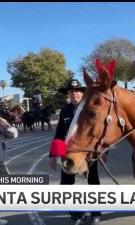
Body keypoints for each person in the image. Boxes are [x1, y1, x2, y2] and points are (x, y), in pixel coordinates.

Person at [48, 79, 102, 225]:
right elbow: (59, 133)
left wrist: (103, 151)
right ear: (68, 94)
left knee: (93, 182)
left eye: (77, 91)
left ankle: (96, 213)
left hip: (87, 152)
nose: (74, 93)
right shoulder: (65, 110)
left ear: (83, 93)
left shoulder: (89, 108)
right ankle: (76, 214)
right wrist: (52, 155)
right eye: (71, 91)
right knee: (66, 184)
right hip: (69, 152)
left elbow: (98, 131)